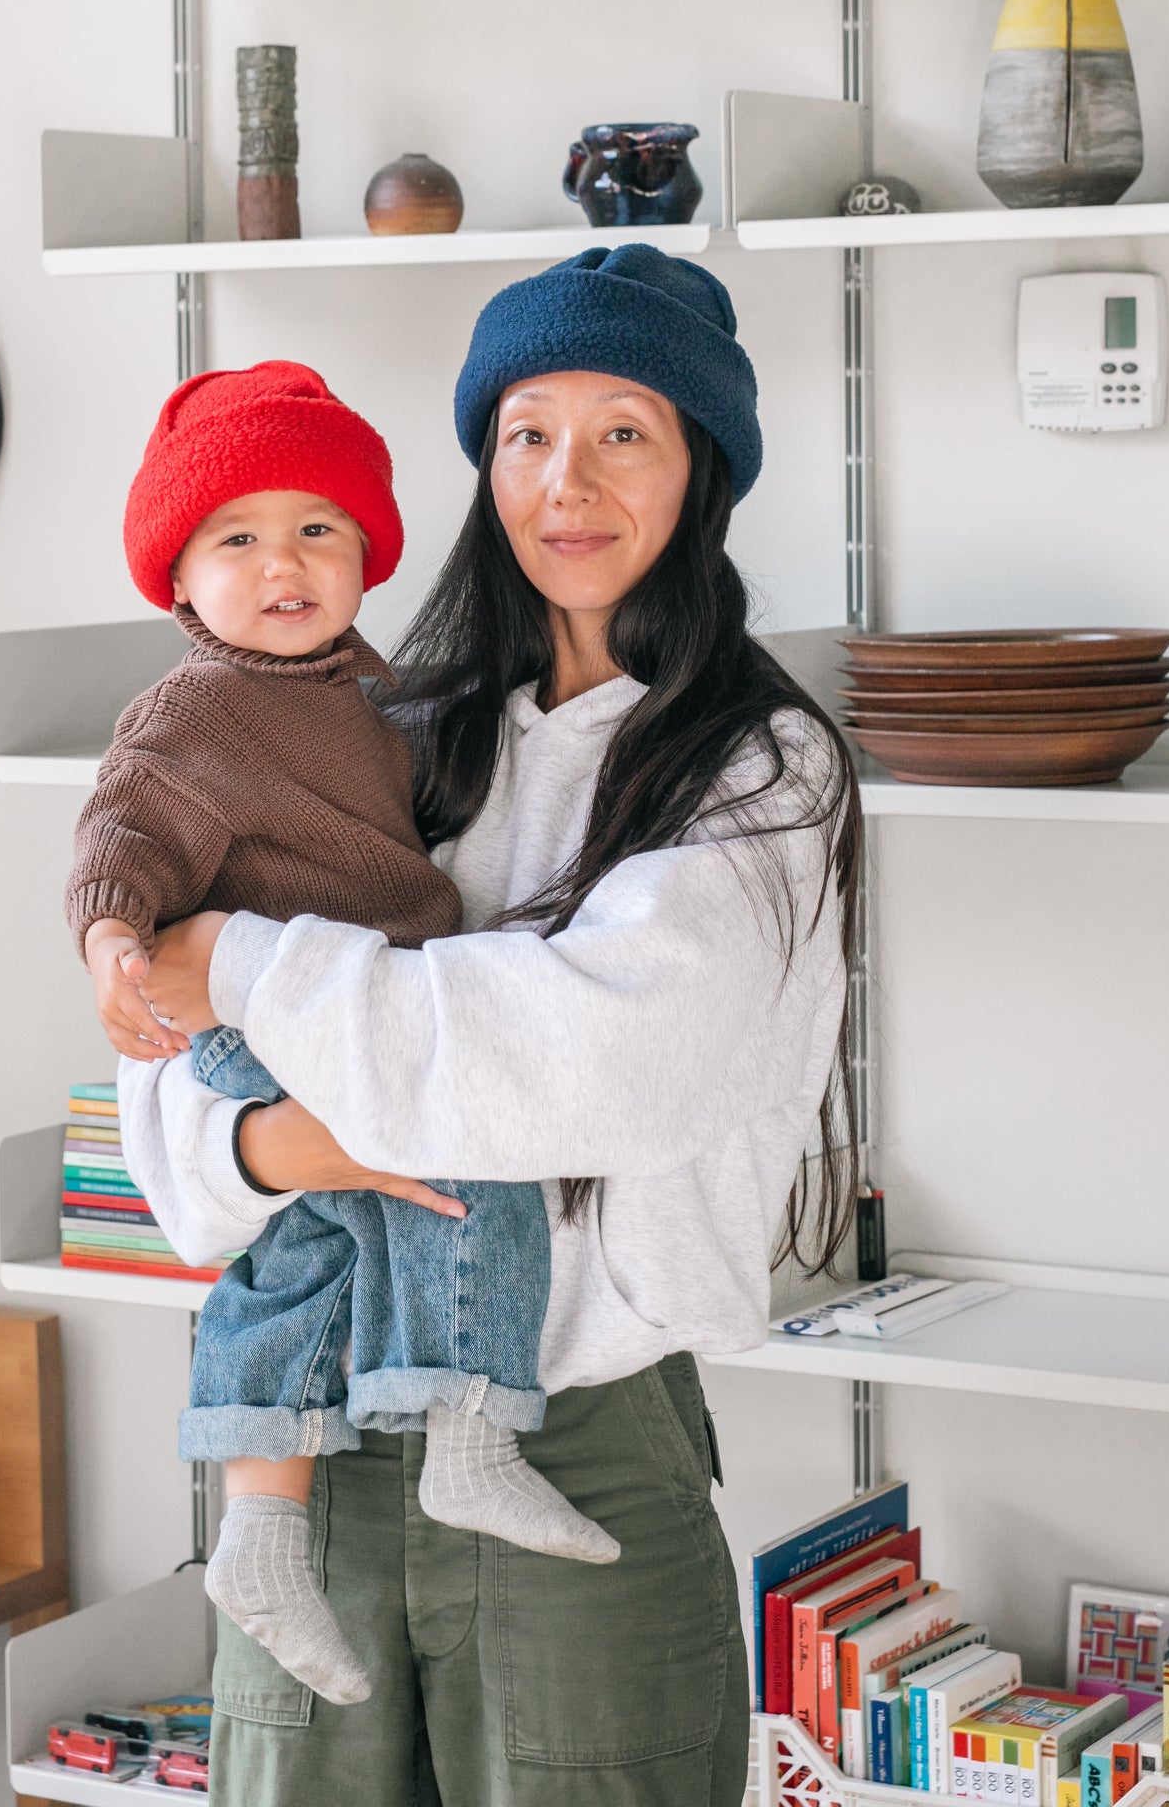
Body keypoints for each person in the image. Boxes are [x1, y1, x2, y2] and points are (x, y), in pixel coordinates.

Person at [119, 244, 863, 1807]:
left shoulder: (756, 767)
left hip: (577, 1436)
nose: (566, 481)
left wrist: (250, 973)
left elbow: (593, 1061)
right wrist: (267, 1132)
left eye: (623, 432)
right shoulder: (378, 730)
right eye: (527, 431)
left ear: (701, 468)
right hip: (307, 1432)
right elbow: (160, 1095)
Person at [66, 360, 618, 1713]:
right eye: (237, 539)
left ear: (366, 557)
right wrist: (109, 936)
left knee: (307, 1257)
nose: (284, 564)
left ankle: (257, 1532)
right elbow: (122, 830)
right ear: (179, 579)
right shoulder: (191, 709)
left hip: (351, 991)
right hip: (262, 1013)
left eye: (318, 530)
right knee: (464, 1173)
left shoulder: (370, 687)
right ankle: (468, 1422)